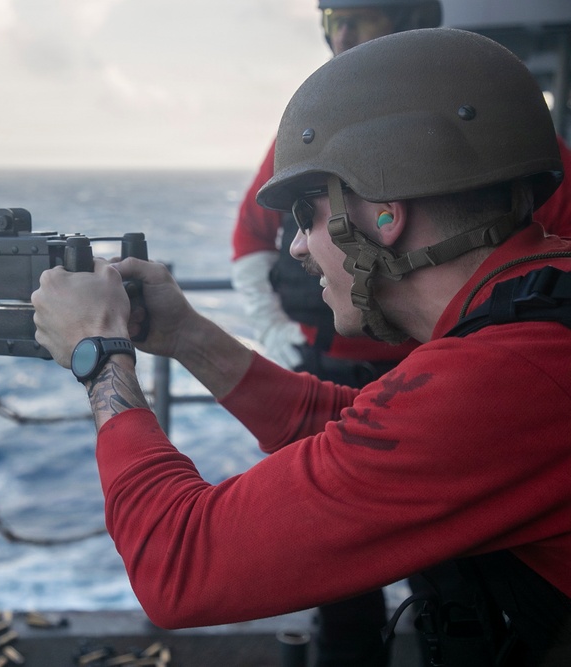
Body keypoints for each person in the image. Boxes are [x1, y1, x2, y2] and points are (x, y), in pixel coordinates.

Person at [32, 28, 571, 666]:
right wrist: (187, 336)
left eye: (308, 214)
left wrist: (101, 358)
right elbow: (359, 431)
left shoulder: (509, 375)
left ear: (384, 216)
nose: (294, 248)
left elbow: (181, 567)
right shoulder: (537, 313)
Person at [229, 3, 571, 663]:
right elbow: (249, 236)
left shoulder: (504, 135)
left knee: (446, 560)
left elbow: (183, 563)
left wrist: (105, 368)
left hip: (456, 370)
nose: (341, 36)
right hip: (363, 364)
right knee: (353, 583)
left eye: (359, 18)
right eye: (331, 20)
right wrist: (264, 334)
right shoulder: (326, 128)